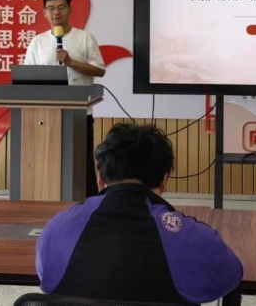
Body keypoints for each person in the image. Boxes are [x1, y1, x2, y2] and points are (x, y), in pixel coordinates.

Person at [36, 123, 243, 305]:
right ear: (164, 180)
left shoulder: (57, 227)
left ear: (100, 178)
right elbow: (230, 275)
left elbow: (47, 278)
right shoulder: (192, 237)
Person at [25, 0, 106, 195]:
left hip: (79, 111)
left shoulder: (84, 38)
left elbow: (99, 70)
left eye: (61, 7)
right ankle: (49, 199)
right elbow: (27, 76)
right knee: (49, 161)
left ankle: (87, 201)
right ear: (44, 12)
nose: (56, 12)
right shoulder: (37, 42)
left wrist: (71, 62)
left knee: (81, 162)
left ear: (70, 9)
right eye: (51, 8)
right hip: (46, 113)